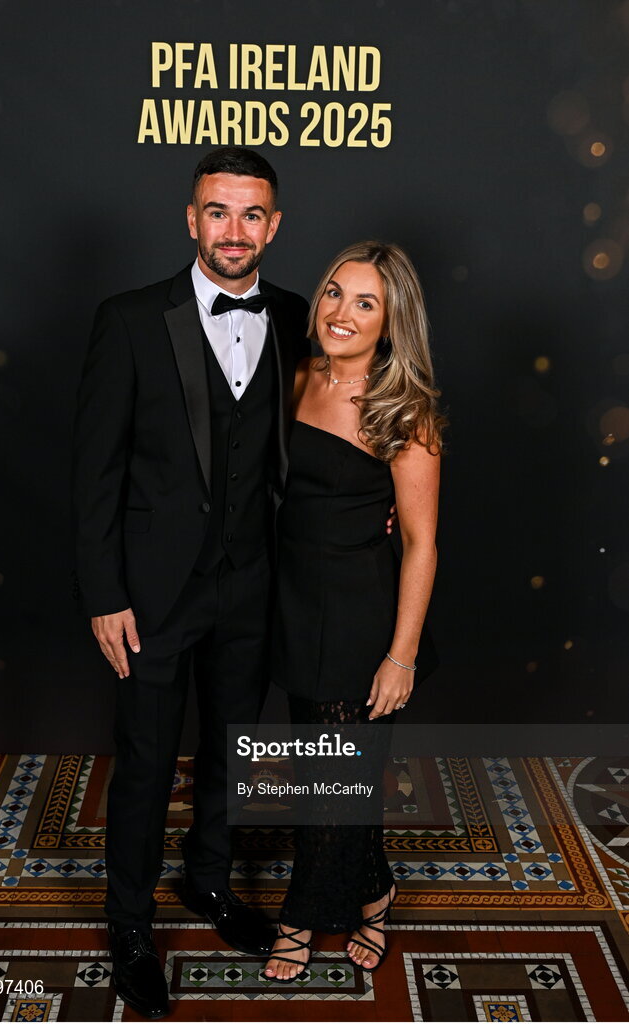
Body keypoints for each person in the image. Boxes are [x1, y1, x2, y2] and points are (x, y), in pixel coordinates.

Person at [72, 146, 309, 1019]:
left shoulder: (294, 317)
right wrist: (104, 591)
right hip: (149, 594)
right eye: (218, 211)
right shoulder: (130, 318)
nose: (234, 230)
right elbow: (93, 472)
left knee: (231, 753)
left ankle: (209, 884)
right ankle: (128, 925)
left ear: (273, 226)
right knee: (142, 764)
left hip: (252, 585)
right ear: (191, 219)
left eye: (251, 215)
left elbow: (311, 447)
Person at [263, 241, 444, 982]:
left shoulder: (406, 412)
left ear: (392, 320)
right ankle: (374, 893)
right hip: (292, 604)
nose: (341, 312)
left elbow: (423, 543)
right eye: (335, 292)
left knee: (328, 782)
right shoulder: (294, 375)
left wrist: (399, 656)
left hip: (361, 615)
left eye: (364, 302)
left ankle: (301, 918)